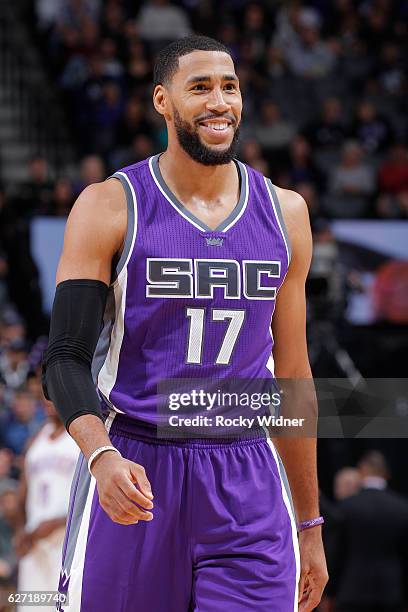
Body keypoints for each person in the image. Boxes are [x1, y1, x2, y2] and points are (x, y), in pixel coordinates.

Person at [43, 35, 328, 611]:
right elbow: (64, 358)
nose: (219, 101)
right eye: (199, 88)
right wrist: (101, 456)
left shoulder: (286, 213)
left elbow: (293, 377)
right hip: (137, 464)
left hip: (245, 473)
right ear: (162, 102)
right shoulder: (109, 205)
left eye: (229, 87)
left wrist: (310, 526)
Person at [15, 399, 78, 612]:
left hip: (66, 544)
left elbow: (92, 497)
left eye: (54, 394)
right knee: (31, 607)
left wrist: (57, 522)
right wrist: (20, 531)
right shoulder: (35, 440)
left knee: (63, 607)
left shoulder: (82, 436)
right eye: (45, 394)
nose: (49, 400)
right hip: (35, 544)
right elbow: (22, 492)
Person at [330, 451, 408, 612]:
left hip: (351, 591)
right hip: (392, 592)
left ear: (361, 471)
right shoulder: (402, 508)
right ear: (386, 474)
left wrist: (329, 593)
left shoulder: (346, 507)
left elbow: (336, 554)